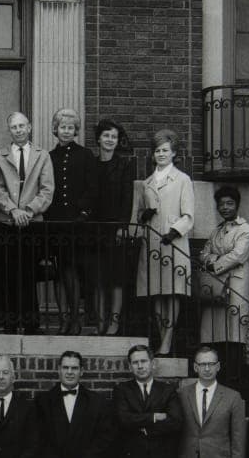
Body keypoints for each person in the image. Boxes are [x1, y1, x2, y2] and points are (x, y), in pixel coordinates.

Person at [130, 129, 194, 356]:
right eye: (157, 150)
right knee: (155, 291)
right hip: (151, 244)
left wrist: (174, 232)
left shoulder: (182, 180)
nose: (161, 154)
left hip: (172, 243)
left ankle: (167, 340)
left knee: (173, 291)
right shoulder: (146, 183)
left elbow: (188, 215)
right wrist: (143, 216)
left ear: (174, 153)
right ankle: (161, 336)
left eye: (165, 150)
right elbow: (137, 214)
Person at [0, 111, 55, 334]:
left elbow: (47, 190)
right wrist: (12, 210)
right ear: (9, 130)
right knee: (7, 273)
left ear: (29, 127)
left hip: (32, 223)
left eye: (22, 126)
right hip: (6, 223)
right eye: (14, 127)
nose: (18, 130)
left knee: (29, 273)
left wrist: (28, 211)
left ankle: (31, 323)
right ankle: (9, 322)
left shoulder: (42, 155)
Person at [45, 108, 97, 335]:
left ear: (75, 130)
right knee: (57, 270)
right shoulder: (49, 156)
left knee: (73, 270)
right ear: (55, 130)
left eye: (70, 127)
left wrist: (83, 213)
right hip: (54, 222)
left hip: (77, 223)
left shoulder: (85, 155)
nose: (66, 131)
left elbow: (92, 187)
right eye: (62, 127)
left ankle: (76, 317)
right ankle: (63, 317)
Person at [196, 185, 249, 384]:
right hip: (215, 289)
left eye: (229, 203)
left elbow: (238, 255)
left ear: (237, 205)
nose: (225, 207)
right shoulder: (216, 231)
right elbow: (202, 254)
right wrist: (215, 260)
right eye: (221, 204)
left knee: (234, 335)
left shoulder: (245, 229)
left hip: (235, 288)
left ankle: (234, 384)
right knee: (214, 335)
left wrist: (214, 261)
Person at [90, 118, 136, 335]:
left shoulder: (124, 165)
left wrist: (121, 226)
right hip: (94, 229)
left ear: (118, 141)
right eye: (106, 135)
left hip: (115, 228)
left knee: (116, 278)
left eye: (114, 137)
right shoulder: (91, 163)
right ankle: (100, 322)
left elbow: (128, 199)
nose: (109, 140)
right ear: (98, 139)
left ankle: (114, 322)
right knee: (98, 278)